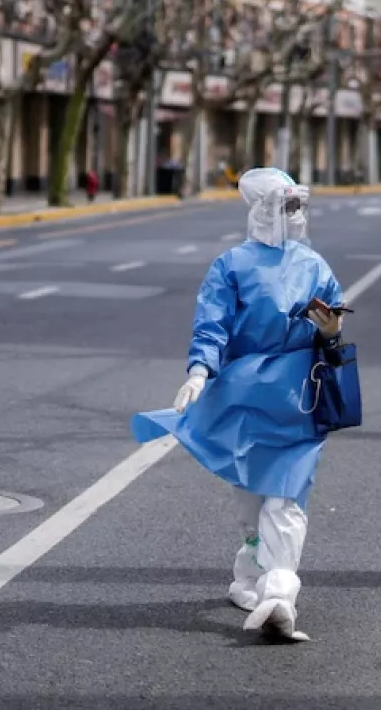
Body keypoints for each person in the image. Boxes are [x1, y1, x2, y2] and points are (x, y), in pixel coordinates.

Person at [131, 167, 345, 641]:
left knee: (286, 495)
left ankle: (278, 592)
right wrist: (199, 371)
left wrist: (330, 331)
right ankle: (249, 575)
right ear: (263, 209)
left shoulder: (314, 264)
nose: (294, 215)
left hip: (298, 399)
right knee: (250, 490)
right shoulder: (230, 265)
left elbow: (335, 321)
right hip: (244, 393)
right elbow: (213, 325)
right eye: (285, 206)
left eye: (297, 206)